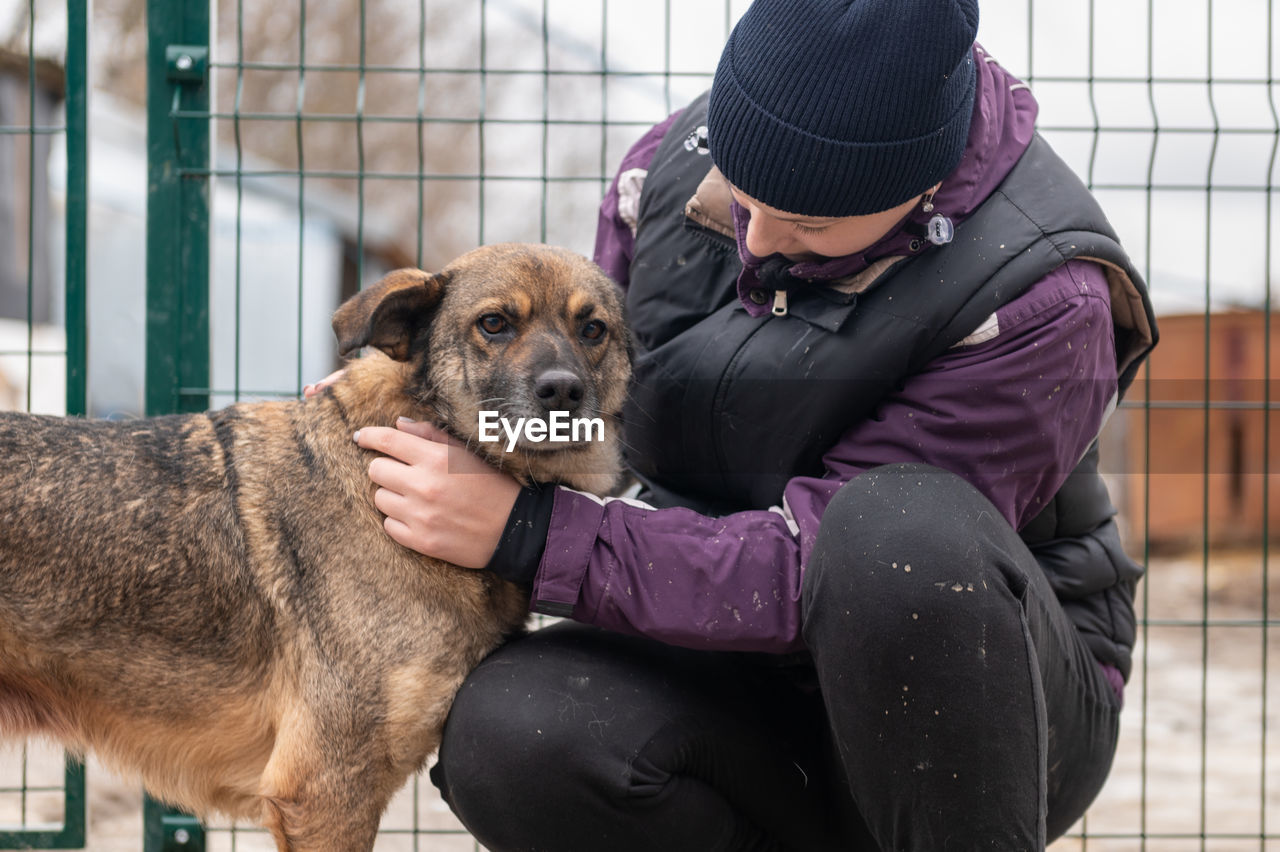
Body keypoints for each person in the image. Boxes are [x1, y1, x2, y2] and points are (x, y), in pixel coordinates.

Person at [340, 0, 1158, 848]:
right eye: (742, 196)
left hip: (969, 691)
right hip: (724, 654)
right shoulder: (660, 174)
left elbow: (816, 566)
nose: (756, 241)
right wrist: (410, 407)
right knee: (515, 734)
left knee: (891, 538)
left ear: (920, 190)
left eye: (805, 224)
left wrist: (532, 536)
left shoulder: (1042, 298)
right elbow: (595, 420)